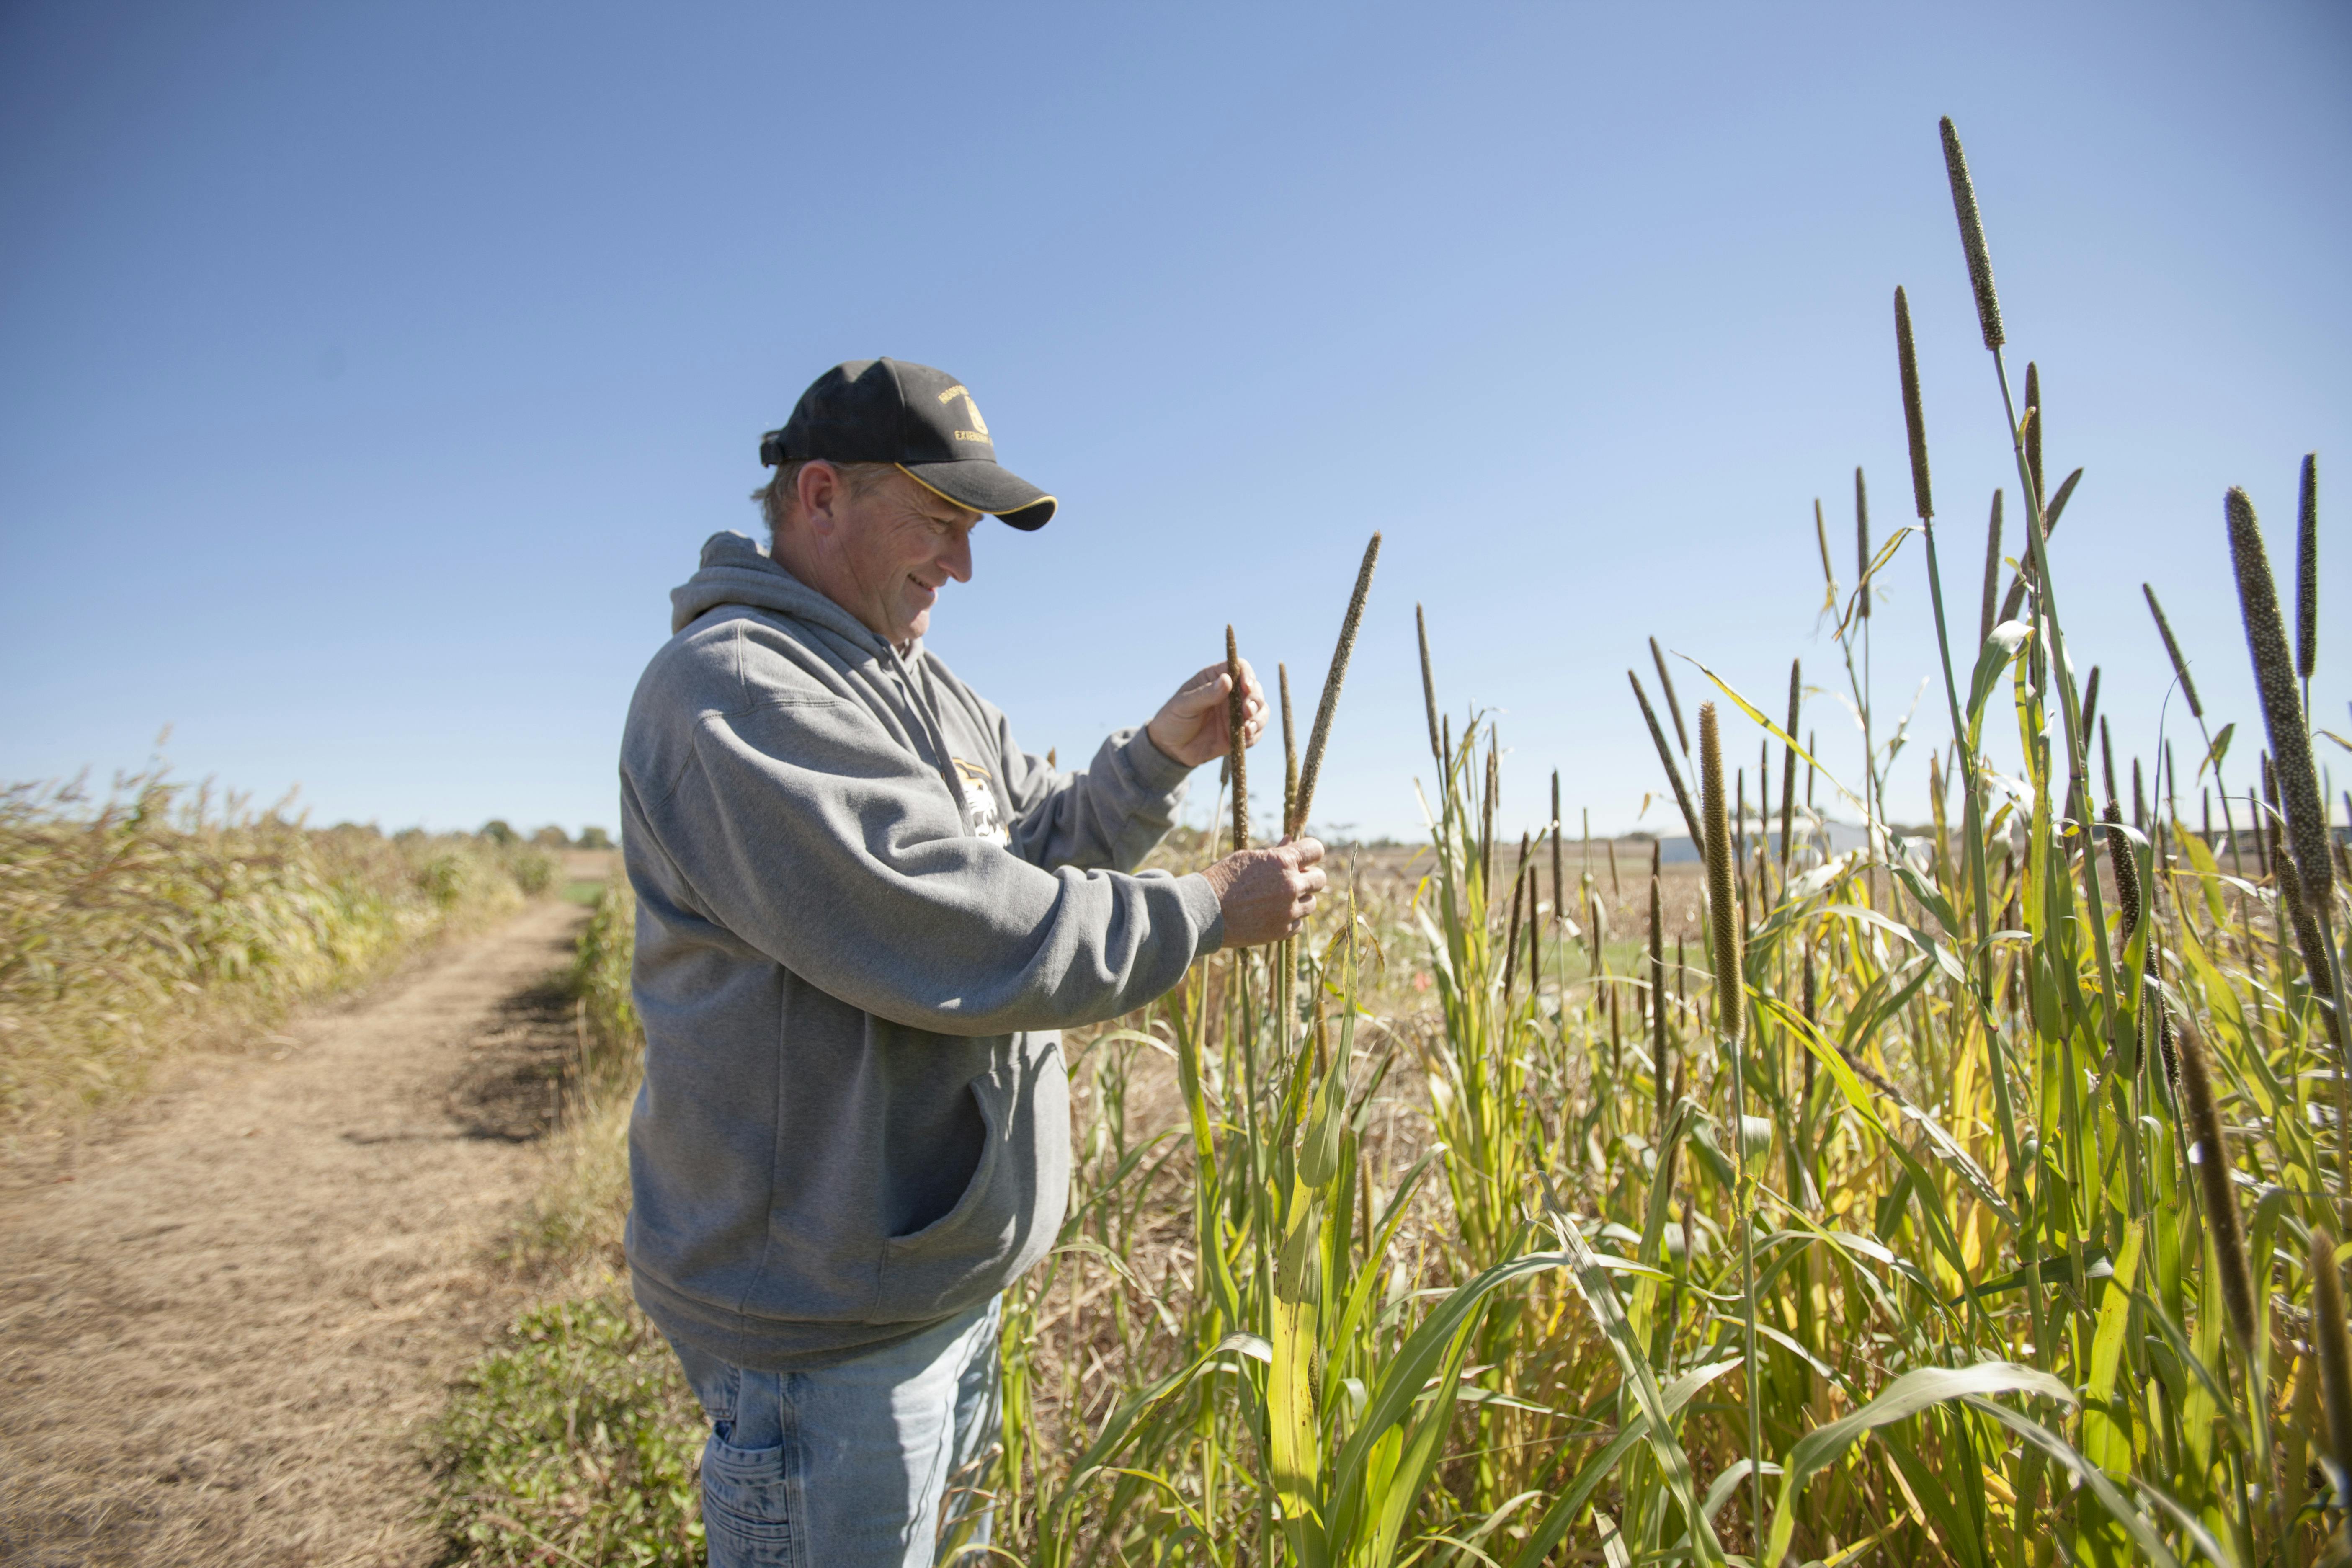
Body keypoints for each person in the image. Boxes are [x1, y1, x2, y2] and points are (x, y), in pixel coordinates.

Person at [617, 358, 1325, 1567]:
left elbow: (1031, 847)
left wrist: (1158, 756)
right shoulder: (738, 691)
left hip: (935, 1284)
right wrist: (1204, 912)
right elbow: (964, 927)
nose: (962, 564)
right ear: (822, 496)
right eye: (940, 521)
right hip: (827, 1328)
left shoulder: (923, 687)